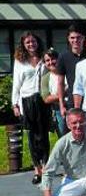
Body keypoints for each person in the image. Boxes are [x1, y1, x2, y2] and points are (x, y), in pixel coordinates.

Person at [11, 31, 50, 184]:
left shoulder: (44, 58)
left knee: (44, 135)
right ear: (23, 45)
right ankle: (37, 169)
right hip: (27, 101)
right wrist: (15, 104)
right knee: (32, 136)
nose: (31, 44)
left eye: (33, 41)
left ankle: (46, 166)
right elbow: (16, 83)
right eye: (28, 42)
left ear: (37, 42)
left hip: (42, 99)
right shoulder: (20, 61)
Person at [57, 24, 86, 120]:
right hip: (72, 101)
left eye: (78, 37)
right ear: (68, 39)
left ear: (83, 38)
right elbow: (60, 83)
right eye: (72, 38)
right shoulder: (63, 57)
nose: (75, 40)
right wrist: (62, 105)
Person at [41, 48, 67, 137]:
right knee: (62, 136)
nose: (51, 62)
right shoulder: (45, 78)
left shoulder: (68, 72)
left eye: (53, 59)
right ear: (45, 63)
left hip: (73, 107)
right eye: (47, 60)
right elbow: (46, 98)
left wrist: (56, 95)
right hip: (58, 110)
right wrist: (63, 93)